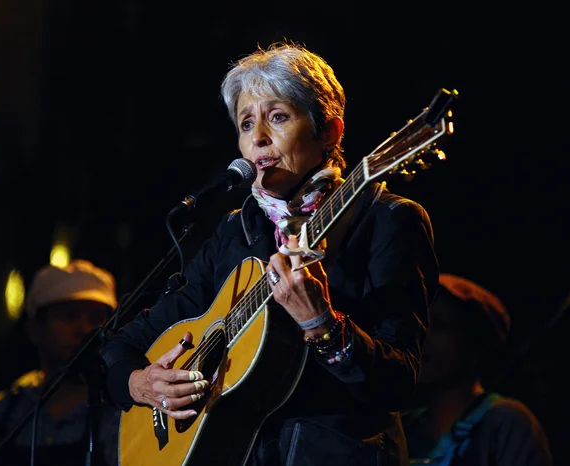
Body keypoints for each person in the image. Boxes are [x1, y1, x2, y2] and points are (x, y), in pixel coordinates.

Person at [100, 40, 439, 466]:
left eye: (277, 118)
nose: (258, 138)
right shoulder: (237, 232)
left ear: (328, 131)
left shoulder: (385, 219)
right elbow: (124, 342)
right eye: (245, 124)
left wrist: (323, 326)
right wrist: (138, 383)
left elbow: (399, 381)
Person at [401, 273, 553, 465]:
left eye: (440, 326)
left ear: (475, 344)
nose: (422, 337)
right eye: (421, 325)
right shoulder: (401, 427)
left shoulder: (505, 422)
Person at [0, 259, 122, 466]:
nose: (84, 328)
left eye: (95, 317)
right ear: (35, 330)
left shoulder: (121, 413)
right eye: (69, 316)